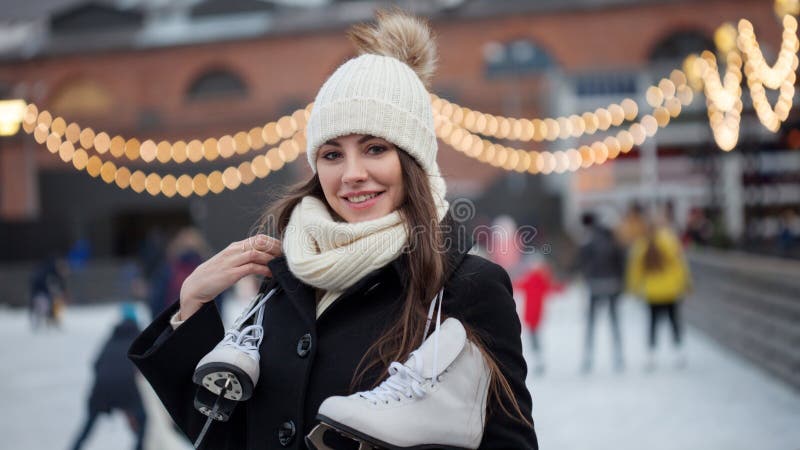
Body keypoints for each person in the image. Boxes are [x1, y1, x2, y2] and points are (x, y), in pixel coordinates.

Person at [129, 10, 537, 450]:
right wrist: (190, 307)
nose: (352, 174)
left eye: (375, 148)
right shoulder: (284, 284)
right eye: (331, 154)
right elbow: (226, 438)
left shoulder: (466, 287)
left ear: (413, 159)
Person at [71, 303, 146, 450]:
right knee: (143, 421)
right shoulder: (140, 339)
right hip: (128, 387)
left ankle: (75, 447)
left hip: (102, 387)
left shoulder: (111, 338)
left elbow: (95, 363)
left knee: (89, 424)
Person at [626, 222, 691, 370]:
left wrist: (634, 289)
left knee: (652, 324)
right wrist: (685, 284)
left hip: (652, 291)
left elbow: (635, 270)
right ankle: (679, 353)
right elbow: (680, 266)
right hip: (670, 290)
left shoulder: (641, 245)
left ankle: (651, 356)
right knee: (674, 322)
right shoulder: (670, 241)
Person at [574, 212, 626, 373]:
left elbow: (582, 262)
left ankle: (588, 357)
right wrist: (620, 282)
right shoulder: (614, 241)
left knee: (591, 323)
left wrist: (587, 278)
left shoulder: (588, 240)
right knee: (614, 322)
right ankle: (618, 357)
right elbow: (622, 263)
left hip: (595, 285)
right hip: (612, 285)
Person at [513, 253, 563, 375]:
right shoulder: (542, 278)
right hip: (537, 314)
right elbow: (553, 288)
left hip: (531, 314)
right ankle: (538, 358)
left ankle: (537, 358)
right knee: (534, 336)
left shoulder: (531, 278)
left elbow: (516, 285)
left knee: (533, 336)